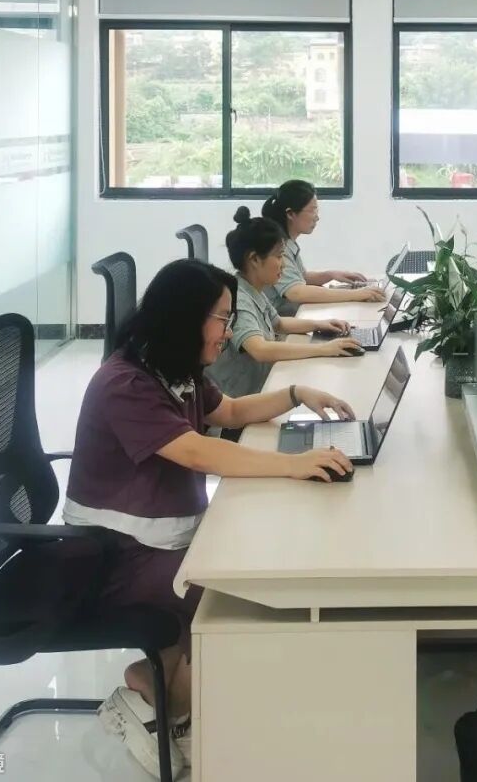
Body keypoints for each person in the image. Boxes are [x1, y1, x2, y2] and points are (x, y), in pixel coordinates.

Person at [62, 258, 355, 777]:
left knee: (249, 573)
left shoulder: (174, 369)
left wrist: (296, 394)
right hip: (115, 554)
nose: (227, 331)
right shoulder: (126, 383)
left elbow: (233, 412)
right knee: (235, 596)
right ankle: (155, 695)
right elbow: (197, 452)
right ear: (184, 318)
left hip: (161, 538)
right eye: (222, 318)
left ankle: (166, 689)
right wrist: (292, 465)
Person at [207, 207, 365, 399]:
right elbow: (260, 349)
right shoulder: (239, 298)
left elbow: (279, 323)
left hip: (262, 386)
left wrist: (319, 324)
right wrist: (324, 349)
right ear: (254, 259)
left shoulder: (252, 288)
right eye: (278, 256)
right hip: (242, 401)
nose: (283, 264)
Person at [260, 179, 384, 315]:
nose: (317, 217)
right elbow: (296, 292)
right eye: (312, 210)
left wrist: (330, 275)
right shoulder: (277, 248)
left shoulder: (288, 243)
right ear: (290, 214)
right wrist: (357, 294)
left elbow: (301, 277)